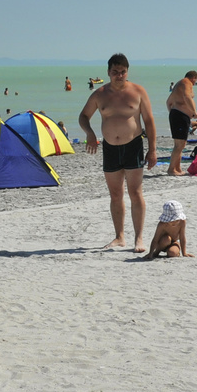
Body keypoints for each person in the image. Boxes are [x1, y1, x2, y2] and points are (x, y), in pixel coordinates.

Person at [78, 53, 157, 251]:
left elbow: (149, 121)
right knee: (115, 194)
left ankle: (138, 238)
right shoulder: (100, 94)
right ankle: (119, 237)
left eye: (122, 72)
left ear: (127, 72)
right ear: (108, 72)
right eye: (115, 72)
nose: (119, 76)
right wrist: (89, 133)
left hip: (133, 146)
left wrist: (152, 150)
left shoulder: (138, 91)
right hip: (110, 148)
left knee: (135, 193)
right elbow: (84, 116)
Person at [164, 70, 197, 176]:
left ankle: (177, 168)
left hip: (178, 115)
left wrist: (173, 112)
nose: (194, 84)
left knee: (181, 144)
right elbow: (187, 97)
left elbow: (168, 102)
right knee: (179, 145)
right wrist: (193, 112)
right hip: (180, 116)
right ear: (193, 78)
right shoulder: (186, 82)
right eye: (195, 81)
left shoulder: (178, 85)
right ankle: (171, 169)